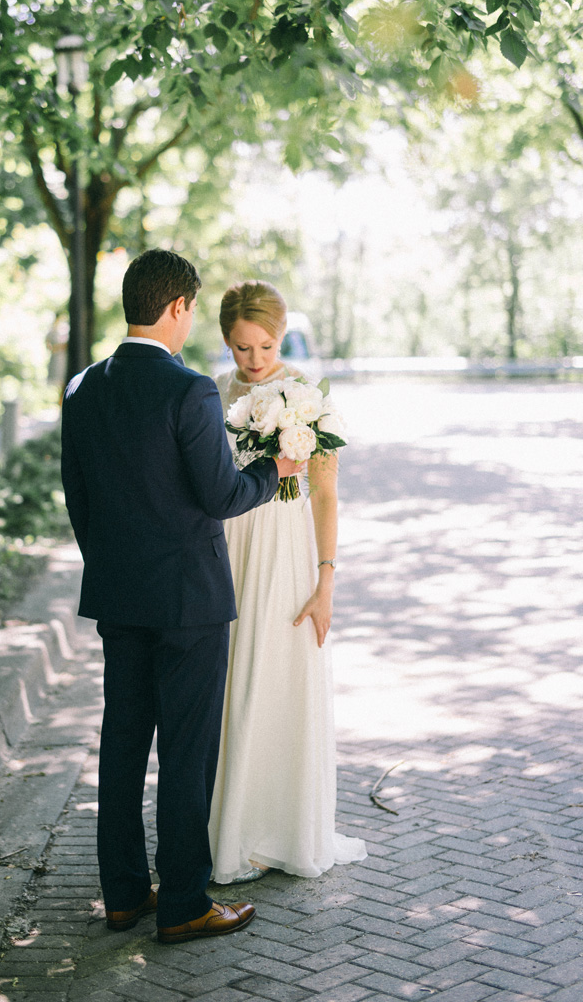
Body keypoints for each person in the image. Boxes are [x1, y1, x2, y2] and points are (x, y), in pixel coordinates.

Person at [60, 250, 305, 944]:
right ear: (177, 307)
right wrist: (274, 467)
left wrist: (111, 565)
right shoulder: (189, 389)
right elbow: (222, 494)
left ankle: (123, 897)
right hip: (192, 602)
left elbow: (78, 498)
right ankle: (184, 904)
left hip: (119, 597)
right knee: (188, 755)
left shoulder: (82, 388)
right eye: (191, 308)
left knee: (123, 744)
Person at [208, 280, 367, 884]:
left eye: (264, 345)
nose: (254, 361)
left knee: (282, 681)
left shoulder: (305, 394)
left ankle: (287, 827)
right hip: (229, 547)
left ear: (279, 335)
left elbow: (325, 494)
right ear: (226, 342)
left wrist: (325, 582)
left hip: (288, 553)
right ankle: (236, 830)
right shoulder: (214, 393)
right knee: (231, 686)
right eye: (241, 349)